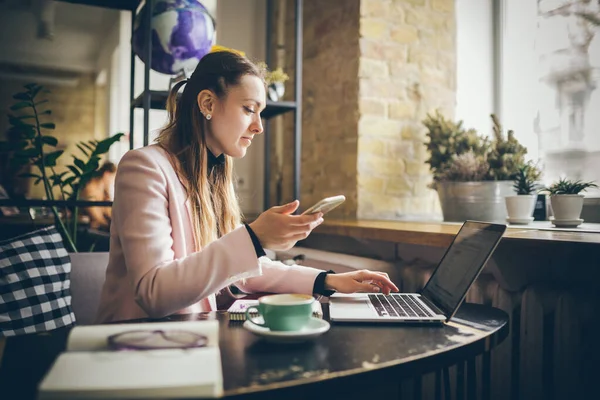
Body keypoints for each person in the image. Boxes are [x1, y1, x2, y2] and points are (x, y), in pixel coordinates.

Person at [95, 50, 398, 323]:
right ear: (207, 103)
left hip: (189, 340)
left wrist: (328, 281)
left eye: (261, 112)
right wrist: (254, 237)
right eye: (249, 109)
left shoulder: (214, 176)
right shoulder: (144, 167)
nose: (259, 126)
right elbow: (154, 292)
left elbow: (239, 271)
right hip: (135, 345)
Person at [80, 161, 116, 230]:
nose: (112, 182)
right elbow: (97, 217)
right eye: (112, 178)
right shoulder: (90, 189)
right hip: (88, 229)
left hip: (100, 226)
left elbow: (109, 213)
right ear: (107, 174)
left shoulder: (103, 189)